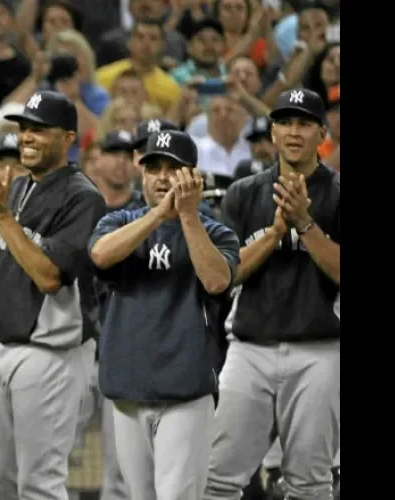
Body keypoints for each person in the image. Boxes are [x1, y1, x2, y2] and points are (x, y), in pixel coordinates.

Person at [0, 90, 106, 499]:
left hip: (51, 354)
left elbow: (50, 277)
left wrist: (0, 215)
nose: (28, 137)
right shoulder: (16, 190)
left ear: (68, 137)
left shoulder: (82, 197)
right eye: (24, 129)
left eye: (39, 129)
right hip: (2, 349)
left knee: (39, 483)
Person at [87, 129, 240, 500]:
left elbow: (217, 280)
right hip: (127, 388)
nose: (162, 177)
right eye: (154, 167)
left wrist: (187, 217)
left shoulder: (217, 232)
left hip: (185, 391)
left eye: (173, 168)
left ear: (193, 176)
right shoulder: (119, 221)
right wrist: (158, 215)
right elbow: (100, 256)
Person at [205, 88, 340, 500]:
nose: (293, 132)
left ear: (322, 132)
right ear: (273, 132)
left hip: (320, 351)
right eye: (284, 123)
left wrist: (305, 222)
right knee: (215, 478)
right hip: (249, 349)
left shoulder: (337, 194)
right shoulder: (244, 193)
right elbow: (226, 274)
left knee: (309, 483)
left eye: (303, 123)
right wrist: (276, 234)